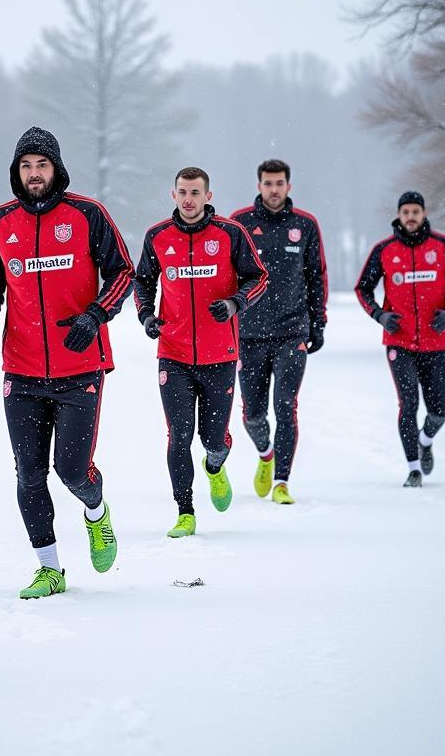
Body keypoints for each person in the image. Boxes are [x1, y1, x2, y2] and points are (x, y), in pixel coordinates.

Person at [0, 127, 134, 599]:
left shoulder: (87, 215)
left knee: (72, 470)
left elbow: (122, 271)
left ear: (56, 169)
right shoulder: (0, 222)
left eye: (41, 165)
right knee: (28, 472)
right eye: (26, 166)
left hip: (79, 367)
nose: (34, 174)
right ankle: (50, 569)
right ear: (16, 172)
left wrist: (97, 314)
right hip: (21, 369)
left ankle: (96, 512)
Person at [134, 167, 268, 536]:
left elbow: (259, 277)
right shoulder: (158, 236)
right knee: (179, 433)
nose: (188, 199)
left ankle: (215, 464)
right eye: (182, 192)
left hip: (220, 354)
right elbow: (143, 281)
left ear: (208, 196)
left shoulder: (230, 234)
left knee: (211, 438)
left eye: (195, 192)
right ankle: (185, 511)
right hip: (173, 353)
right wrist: (147, 316)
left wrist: (235, 303)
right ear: (173, 195)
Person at [355, 191, 445, 486]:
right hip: (400, 344)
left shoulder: (443, 246)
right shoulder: (384, 250)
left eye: (415, 212)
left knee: (439, 411)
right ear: (399, 214)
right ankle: (413, 469)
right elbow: (363, 289)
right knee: (407, 405)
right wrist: (380, 316)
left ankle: (426, 440)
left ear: (423, 214)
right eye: (406, 212)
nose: (411, 217)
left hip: (436, 343)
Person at [230, 159, 328, 505]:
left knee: (286, 406)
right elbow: (228, 277)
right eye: (268, 183)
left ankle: (282, 482)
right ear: (259, 186)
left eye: (280, 183)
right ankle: (266, 454)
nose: (274, 189)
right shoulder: (239, 223)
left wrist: (318, 322)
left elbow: (316, 276)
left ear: (289, 186)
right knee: (252, 414)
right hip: (250, 335)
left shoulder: (305, 225)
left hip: (292, 331)